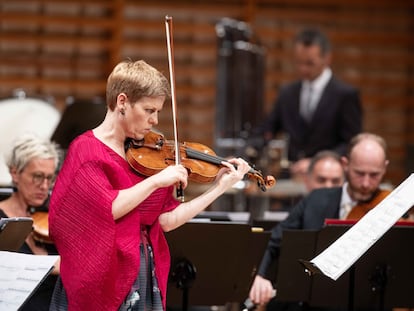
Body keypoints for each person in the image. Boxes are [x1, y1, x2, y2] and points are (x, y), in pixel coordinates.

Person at [48, 59, 251, 310]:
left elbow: (167, 220)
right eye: (149, 110)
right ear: (122, 102)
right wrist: (156, 181)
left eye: (157, 112)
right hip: (105, 276)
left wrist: (219, 187)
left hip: (143, 271)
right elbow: (108, 208)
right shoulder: (87, 149)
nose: (154, 120)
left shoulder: (145, 156)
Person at [248, 132, 390, 309]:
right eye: (359, 173)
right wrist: (259, 277)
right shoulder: (316, 200)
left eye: (374, 175)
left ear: (385, 168)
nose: (366, 183)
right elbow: (272, 241)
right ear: (346, 165)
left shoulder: (390, 208)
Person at [256, 27, 362, 180]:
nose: (303, 69)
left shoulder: (345, 95)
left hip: (327, 179)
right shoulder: (287, 93)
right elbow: (267, 130)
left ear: (327, 59)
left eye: (310, 63)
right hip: (291, 177)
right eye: (298, 63)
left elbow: (351, 144)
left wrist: (317, 162)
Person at [0, 133, 61, 311]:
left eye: (49, 178)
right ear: (15, 173)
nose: (44, 186)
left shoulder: (52, 216)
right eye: (37, 176)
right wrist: (50, 266)